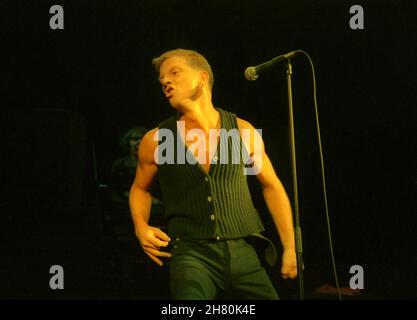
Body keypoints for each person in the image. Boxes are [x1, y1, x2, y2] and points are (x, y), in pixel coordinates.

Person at [129, 48, 297, 300]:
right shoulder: (156, 139)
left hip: (243, 250)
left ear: (202, 78)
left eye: (174, 72)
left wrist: (290, 247)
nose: (165, 81)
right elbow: (140, 188)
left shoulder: (243, 131)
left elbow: (271, 186)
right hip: (190, 253)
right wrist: (140, 226)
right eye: (162, 78)